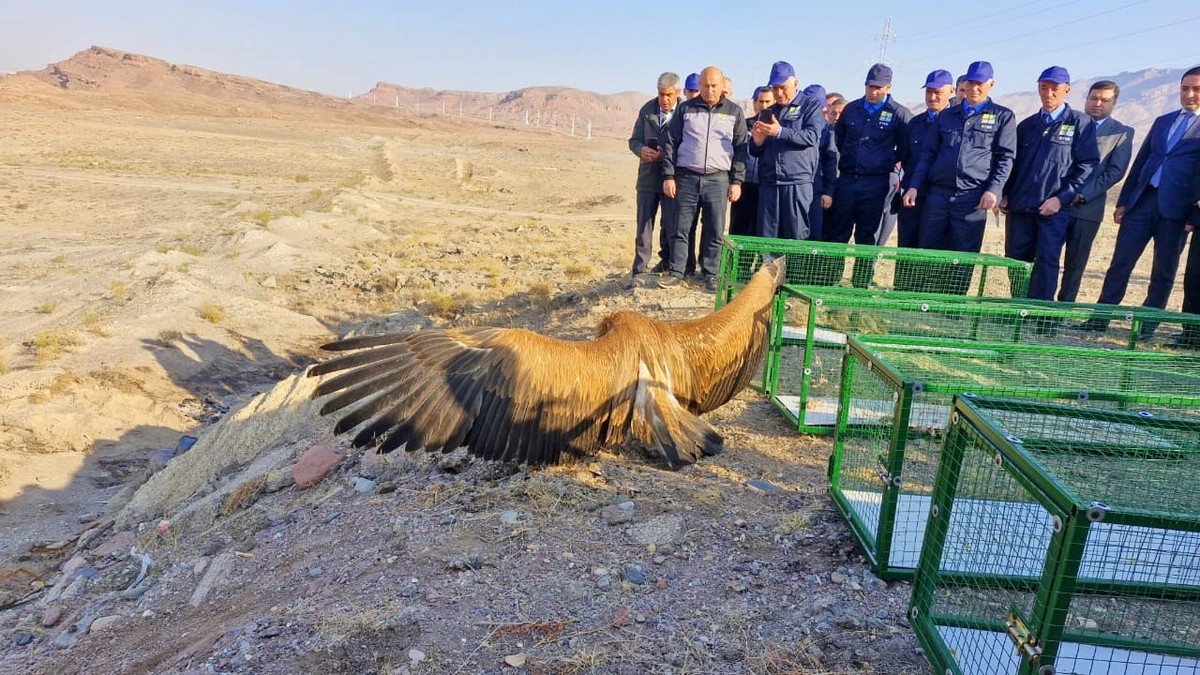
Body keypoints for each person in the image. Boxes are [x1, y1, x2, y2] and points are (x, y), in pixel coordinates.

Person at [1089, 66, 1200, 330]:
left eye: (1196, 89)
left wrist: (1195, 214)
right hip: (1143, 202)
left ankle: (1147, 327)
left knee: (1163, 272)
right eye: (1185, 88)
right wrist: (1124, 201)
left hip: (1178, 211)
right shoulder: (1163, 120)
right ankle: (1099, 319)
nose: (1190, 94)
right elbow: (1141, 162)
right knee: (1120, 263)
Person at [903, 60, 1017, 295]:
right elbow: (928, 155)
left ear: (990, 85)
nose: (974, 88)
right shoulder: (948, 116)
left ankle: (953, 299)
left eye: (979, 83)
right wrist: (914, 186)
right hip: (939, 194)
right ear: (963, 85)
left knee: (963, 250)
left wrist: (993, 189)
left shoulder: (1002, 117)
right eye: (970, 83)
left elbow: (1005, 158)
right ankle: (926, 296)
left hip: (972, 196)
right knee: (930, 245)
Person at [1000, 66, 1099, 301]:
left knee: (1046, 261)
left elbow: (1087, 166)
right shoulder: (1027, 125)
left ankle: (1039, 313)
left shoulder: (1080, 124)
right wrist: (1005, 193)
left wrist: (1060, 199)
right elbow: (1012, 164)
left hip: (1052, 209)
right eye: (1044, 88)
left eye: (1055, 89)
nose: (1049, 94)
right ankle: (1018, 308)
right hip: (1021, 207)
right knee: (1017, 259)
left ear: (1066, 90)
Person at [660, 66, 748, 291]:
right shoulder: (685, 109)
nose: (709, 90)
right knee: (681, 226)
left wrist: (736, 181)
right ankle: (678, 271)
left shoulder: (734, 112)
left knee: (714, 228)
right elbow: (671, 142)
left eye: (714, 86)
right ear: (699, 86)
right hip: (687, 177)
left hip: (718, 180)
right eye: (705, 86)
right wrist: (669, 175)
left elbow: (740, 149)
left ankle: (711, 273)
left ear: (722, 86)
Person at [826, 63, 912, 287]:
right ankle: (832, 279)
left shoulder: (898, 114)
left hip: (876, 183)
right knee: (839, 232)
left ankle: (860, 283)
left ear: (889, 87)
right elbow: (841, 139)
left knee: (867, 236)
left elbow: (905, 148)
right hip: (847, 180)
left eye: (878, 87)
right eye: (869, 86)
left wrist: (882, 162)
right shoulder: (852, 109)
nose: (873, 92)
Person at [1058, 80, 1134, 302]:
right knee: (1045, 259)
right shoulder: (1068, 122)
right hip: (1055, 204)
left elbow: (1115, 172)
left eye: (1104, 100)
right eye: (1093, 98)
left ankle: (1062, 310)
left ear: (1114, 103)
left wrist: (1082, 194)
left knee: (1075, 264)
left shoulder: (1122, 133)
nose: (1097, 104)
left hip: (1086, 209)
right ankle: (1037, 305)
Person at [749, 61, 824, 242]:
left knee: (796, 236)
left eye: (783, 88)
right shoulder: (769, 112)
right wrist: (757, 142)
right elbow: (755, 150)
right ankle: (769, 270)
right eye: (775, 88)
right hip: (770, 183)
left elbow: (812, 136)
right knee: (767, 239)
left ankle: (794, 271)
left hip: (796, 182)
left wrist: (780, 131)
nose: (779, 93)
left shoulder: (810, 106)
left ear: (795, 84)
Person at [895, 69, 955, 291]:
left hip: (939, 194)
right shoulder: (916, 123)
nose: (932, 97)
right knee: (908, 242)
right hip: (912, 192)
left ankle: (929, 292)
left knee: (934, 246)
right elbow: (904, 154)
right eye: (929, 92)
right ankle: (903, 290)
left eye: (938, 92)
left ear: (951, 91)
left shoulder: (957, 121)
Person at [627, 72, 681, 280]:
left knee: (670, 224)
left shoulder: (685, 112)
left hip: (672, 180)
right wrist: (641, 150)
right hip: (648, 178)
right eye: (660, 94)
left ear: (678, 92)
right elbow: (634, 140)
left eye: (668, 95)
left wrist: (665, 155)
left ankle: (667, 263)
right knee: (644, 225)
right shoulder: (647, 110)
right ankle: (639, 269)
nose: (664, 99)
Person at [730, 86, 774, 236]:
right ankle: (737, 260)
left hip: (766, 186)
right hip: (744, 184)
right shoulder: (744, 124)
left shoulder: (778, 129)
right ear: (755, 103)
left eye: (768, 101)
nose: (764, 105)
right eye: (760, 101)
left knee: (762, 230)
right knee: (738, 228)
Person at [803, 84, 838, 242]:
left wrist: (828, 191)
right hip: (794, 189)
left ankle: (812, 267)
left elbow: (830, 164)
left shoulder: (826, 131)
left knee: (814, 235)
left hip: (815, 192)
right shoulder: (794, 127)